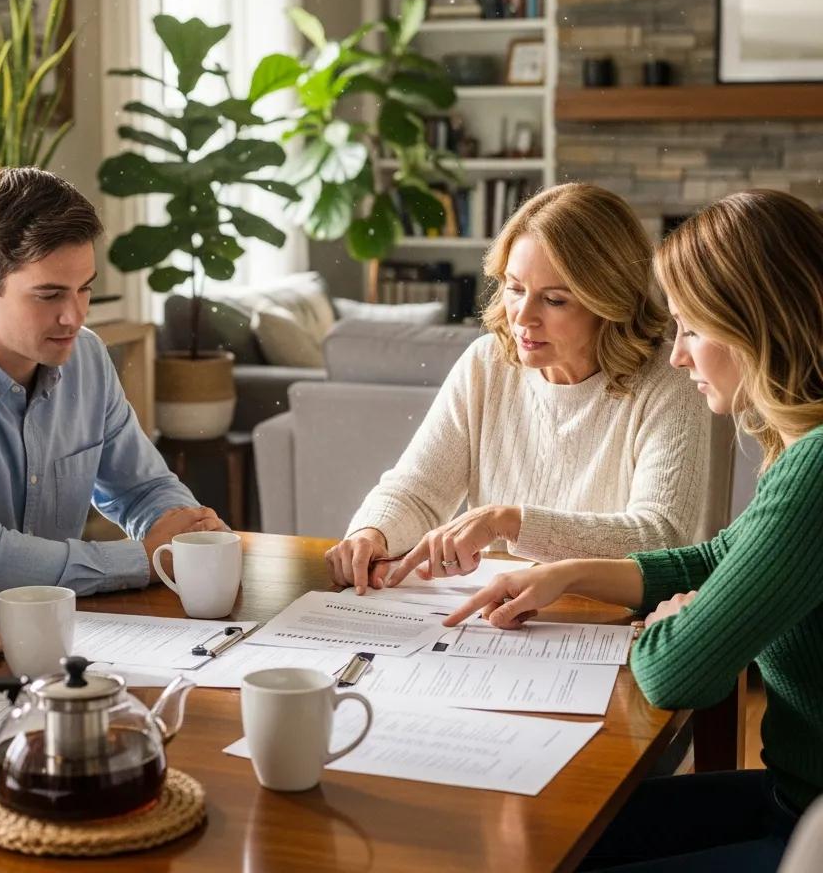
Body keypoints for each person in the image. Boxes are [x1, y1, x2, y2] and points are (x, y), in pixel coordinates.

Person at [443, 189, 823, 871]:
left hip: (807, 827)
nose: (677, 356)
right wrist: (569, 573)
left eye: (692, 330)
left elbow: (676, 670)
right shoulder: (802, 450)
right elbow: (716, 556)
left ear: (755, 326)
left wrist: (668, 624)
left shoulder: (817, 470)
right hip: (792, 798)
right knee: (545, 829)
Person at [326, 182, 712, 593]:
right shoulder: (486, 362)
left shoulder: (671, 380)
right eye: (514, 288)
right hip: (492, 617)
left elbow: (659, 538)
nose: (523, 317)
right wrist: (372, 533)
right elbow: (419, 491)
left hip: (607, 623)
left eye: (555, 300)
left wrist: (509, 521)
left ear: (609, 302)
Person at [0, 167, 225, 605]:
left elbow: (142, 489)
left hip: (62, 629)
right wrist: (142, 559)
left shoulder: (87, 356)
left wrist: (191, 532)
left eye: (84, 290)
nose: (74, 316)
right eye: (49, 295)